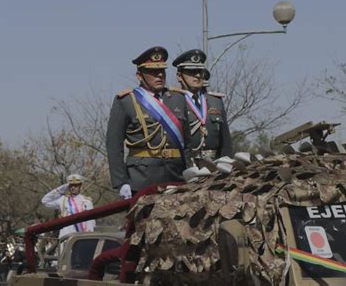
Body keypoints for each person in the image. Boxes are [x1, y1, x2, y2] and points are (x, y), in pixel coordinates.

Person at [106, 46, 191, 199]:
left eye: (162, 71)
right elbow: (114, 144)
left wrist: (191, 172)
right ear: (139, 75)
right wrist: (121, 182)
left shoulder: (178, 98)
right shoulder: (126, 101)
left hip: (176, 176)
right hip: (142, 178)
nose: (159, 75)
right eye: (153, 72)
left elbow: (188, 144)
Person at [172, 49, 232, 161]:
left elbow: (225, 143)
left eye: (200, 71)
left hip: (214, 166)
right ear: (180, 76)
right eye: (192, 72)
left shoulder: (216, 102)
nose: (198, 75)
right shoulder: (173, 102)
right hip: (184, 166)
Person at [41, 174, 95, 238]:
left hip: (81, 236)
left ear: (80, 186)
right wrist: (62, 188)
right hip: (65, 236)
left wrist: (90, 236)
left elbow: (90, 222)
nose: (73, 187)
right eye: (71, 185)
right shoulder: (63, 199)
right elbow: (45, 201)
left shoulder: (87, 201)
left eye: (76, 185)